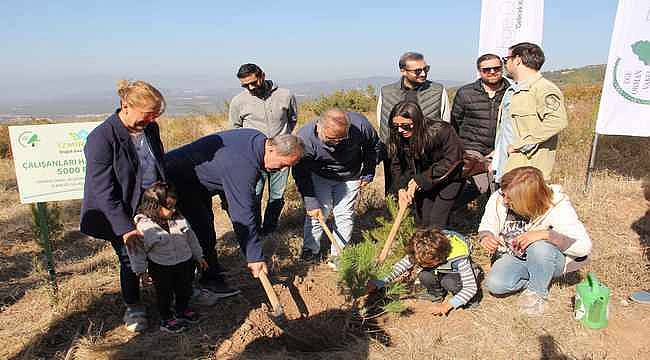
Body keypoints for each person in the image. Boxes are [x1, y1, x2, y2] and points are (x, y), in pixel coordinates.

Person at [165, 129, 304, 293]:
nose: (282, 170)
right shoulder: (243, 165)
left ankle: (210, 269)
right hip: (178, 179)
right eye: (283, 164)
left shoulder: (258, 140)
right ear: (272, 149)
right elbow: (243, 214)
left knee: (206, 227)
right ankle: (205, 282)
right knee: (201, 231)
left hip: (197, 182)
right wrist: (254, 257)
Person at [80, 80, 166, 332]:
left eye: (154, 115)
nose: (150, 120)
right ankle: (134, 306)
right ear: (125, 106)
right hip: (120, 208)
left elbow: (157, 162)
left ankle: (166, 296)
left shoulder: (150, 129)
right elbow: (103, 190)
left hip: (152, 202)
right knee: (130, 256)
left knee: (162, 247)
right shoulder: (101, 138)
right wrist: (125, 228)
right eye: (146, 114)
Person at [478, 167, 592, 316]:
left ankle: (537, 292)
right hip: (514, 256)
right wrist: (486, 236)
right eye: (504, 194)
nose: (504, 201)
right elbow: (487, 223)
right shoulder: (499, 196)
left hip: (547, 257)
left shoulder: (557, 206)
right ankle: (538, 277)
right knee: (495, 285)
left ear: (527, 200)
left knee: (539, 247)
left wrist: (545, 234)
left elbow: (584, 247)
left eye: (510, 199)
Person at [293, 109, 380, 265]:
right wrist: (311, 202)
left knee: (344, 214)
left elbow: (372, 147)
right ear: (319, 127)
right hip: (320, 175)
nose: (336, 143)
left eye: (341, 139)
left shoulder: (360, 125)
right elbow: (301, 173)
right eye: (331, 139)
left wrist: (368, 170)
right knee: (319, 212)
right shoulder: (305, 138)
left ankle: (338, 255)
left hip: (350, 174)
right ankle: (310, 250)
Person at [127, 182, 208, 334]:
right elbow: (137, 251)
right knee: (164, 293)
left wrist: (199, 256)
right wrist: (141, 271)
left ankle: (182, 309)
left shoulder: (179, 218)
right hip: (161, 266)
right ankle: (166, 318)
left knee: (185, 288)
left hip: (184, 261)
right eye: (169, 207)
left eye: (174, 206)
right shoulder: (144, 227)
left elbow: (191, 238)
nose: (173, 210)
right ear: (154, 207)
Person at [229, 63, 298, 235]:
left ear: (262, 76)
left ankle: (269, 230)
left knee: (276, 196)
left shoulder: (285, 95)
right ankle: (253, 231)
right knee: (254, 195)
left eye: (253, 82)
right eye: (245, 85)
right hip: (253, 159)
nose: (251, 88)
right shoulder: (238, 101)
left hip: (281, 155)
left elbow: (292, 120)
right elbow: (235, 128)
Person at [491, 42, 568, 184]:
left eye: (506, 60)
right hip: (506, 166)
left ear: (518, 60)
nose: (505, 64)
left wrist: (521, 145)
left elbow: (557, 121)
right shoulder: (512, 90)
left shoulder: (543, 89)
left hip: (526, 170)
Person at [377, 51, 452, 195]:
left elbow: (445, 121)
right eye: (418, 71)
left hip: (426, 153)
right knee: (395, 194)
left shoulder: (437, 90)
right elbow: (382, 122)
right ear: (403, 71)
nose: (423, 74)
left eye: (426, 69)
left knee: (426, 195)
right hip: (397, 156)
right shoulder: (386, 92)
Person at [386, 101, 464, 229]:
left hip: (450, 178)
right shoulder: (398, 136)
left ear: (417, 121)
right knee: (424, 221)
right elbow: (396, 165)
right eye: (396, 126)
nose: (400, 130)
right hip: (425, 182)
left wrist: (420, 179)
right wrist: (400, 188)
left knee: (436, 222)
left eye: (406, 126)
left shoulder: (442, 130)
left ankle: (439, 246)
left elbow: (453, 159)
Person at [367, 228, 480, 315]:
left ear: (438, 259)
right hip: (440, 268)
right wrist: (378, 282)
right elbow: (399, 267)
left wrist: (448, 305)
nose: (419, 264)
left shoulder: (459, 258)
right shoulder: (421, 249)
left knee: (449, 282)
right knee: (424, 275)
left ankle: (470, 301)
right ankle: (436, 294)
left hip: (455, 272)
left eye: (423, 263)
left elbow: (470, 287)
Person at [451, 53, 509, 205]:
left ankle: (491, 220)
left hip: (500, 149)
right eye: (486, 69)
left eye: (496, 68)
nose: (492, 72)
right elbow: (455, 122)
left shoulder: (512, 92)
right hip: (472, 148)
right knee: (480, 186)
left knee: (500, 188)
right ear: (479, 71)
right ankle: (448, 210)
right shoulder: (465, 93)